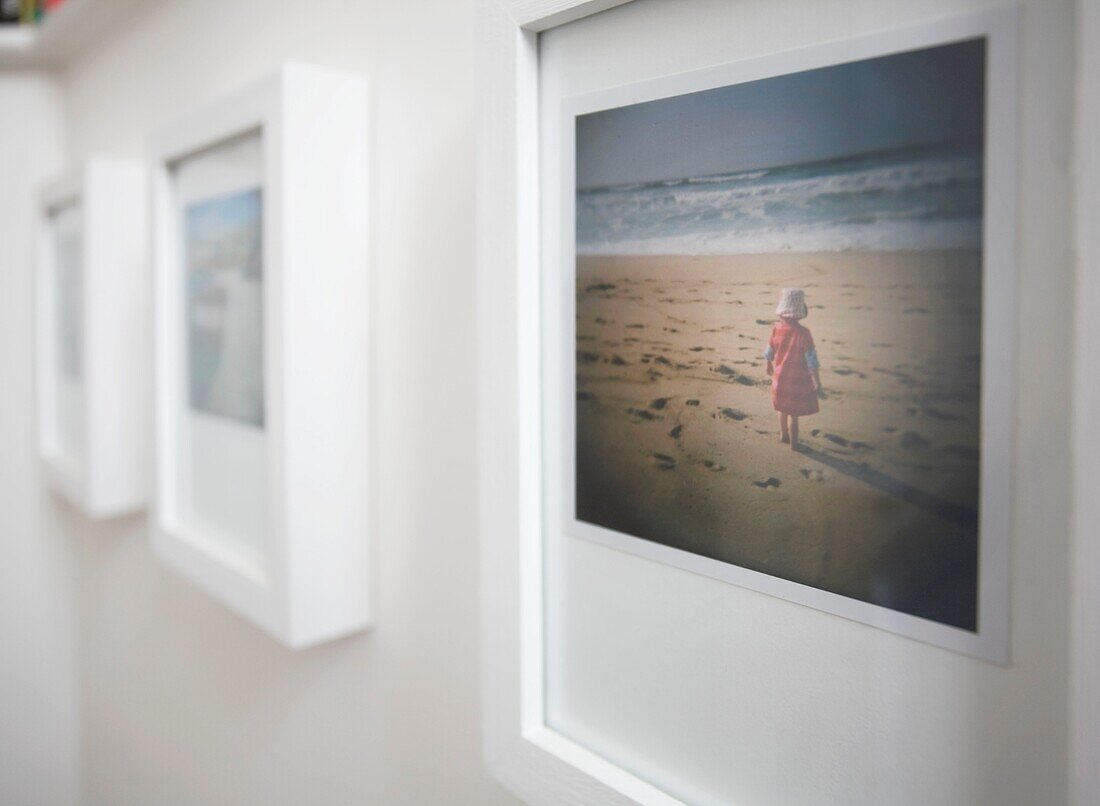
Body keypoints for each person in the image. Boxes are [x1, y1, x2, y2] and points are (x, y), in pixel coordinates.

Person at [764, 288, 821, 451]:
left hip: (780, 377)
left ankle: (783, 435)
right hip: (797, 380)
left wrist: (768, 363)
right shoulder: (804, 333)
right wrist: (816, 378)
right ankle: (794, 444)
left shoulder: (777, 329)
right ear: (801, 312)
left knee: (781, 408)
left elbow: (770, 349)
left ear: (782, 311)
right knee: (793, 414)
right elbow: (811, 358)